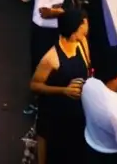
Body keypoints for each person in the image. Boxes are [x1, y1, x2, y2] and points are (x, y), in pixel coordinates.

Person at [30, 9, 90, 164]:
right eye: (82, 29)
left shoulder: (81, 43)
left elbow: (88, 68)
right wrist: (63, 90)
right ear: (73, 32)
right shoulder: (51, 58)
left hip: (75, 113)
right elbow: (34, 85)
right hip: (55, 114)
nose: (85, 31)